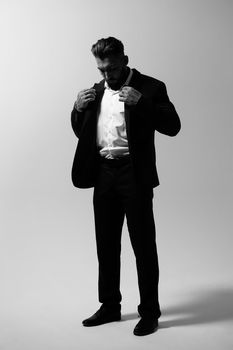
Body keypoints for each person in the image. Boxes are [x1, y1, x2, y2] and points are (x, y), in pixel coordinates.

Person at [71, 37, 181, 336]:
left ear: (125, 59)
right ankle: (109, 306)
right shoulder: (95, 91)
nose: (107, 75)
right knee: (106, 245)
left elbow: (173, 126)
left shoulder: (151, 87)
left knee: (143, 246)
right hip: (103, 174)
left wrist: (142, 103)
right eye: (102, 69)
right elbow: (82, 132)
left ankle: (149, 312)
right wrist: (78, 109)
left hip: (135, 175)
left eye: (113, 68)